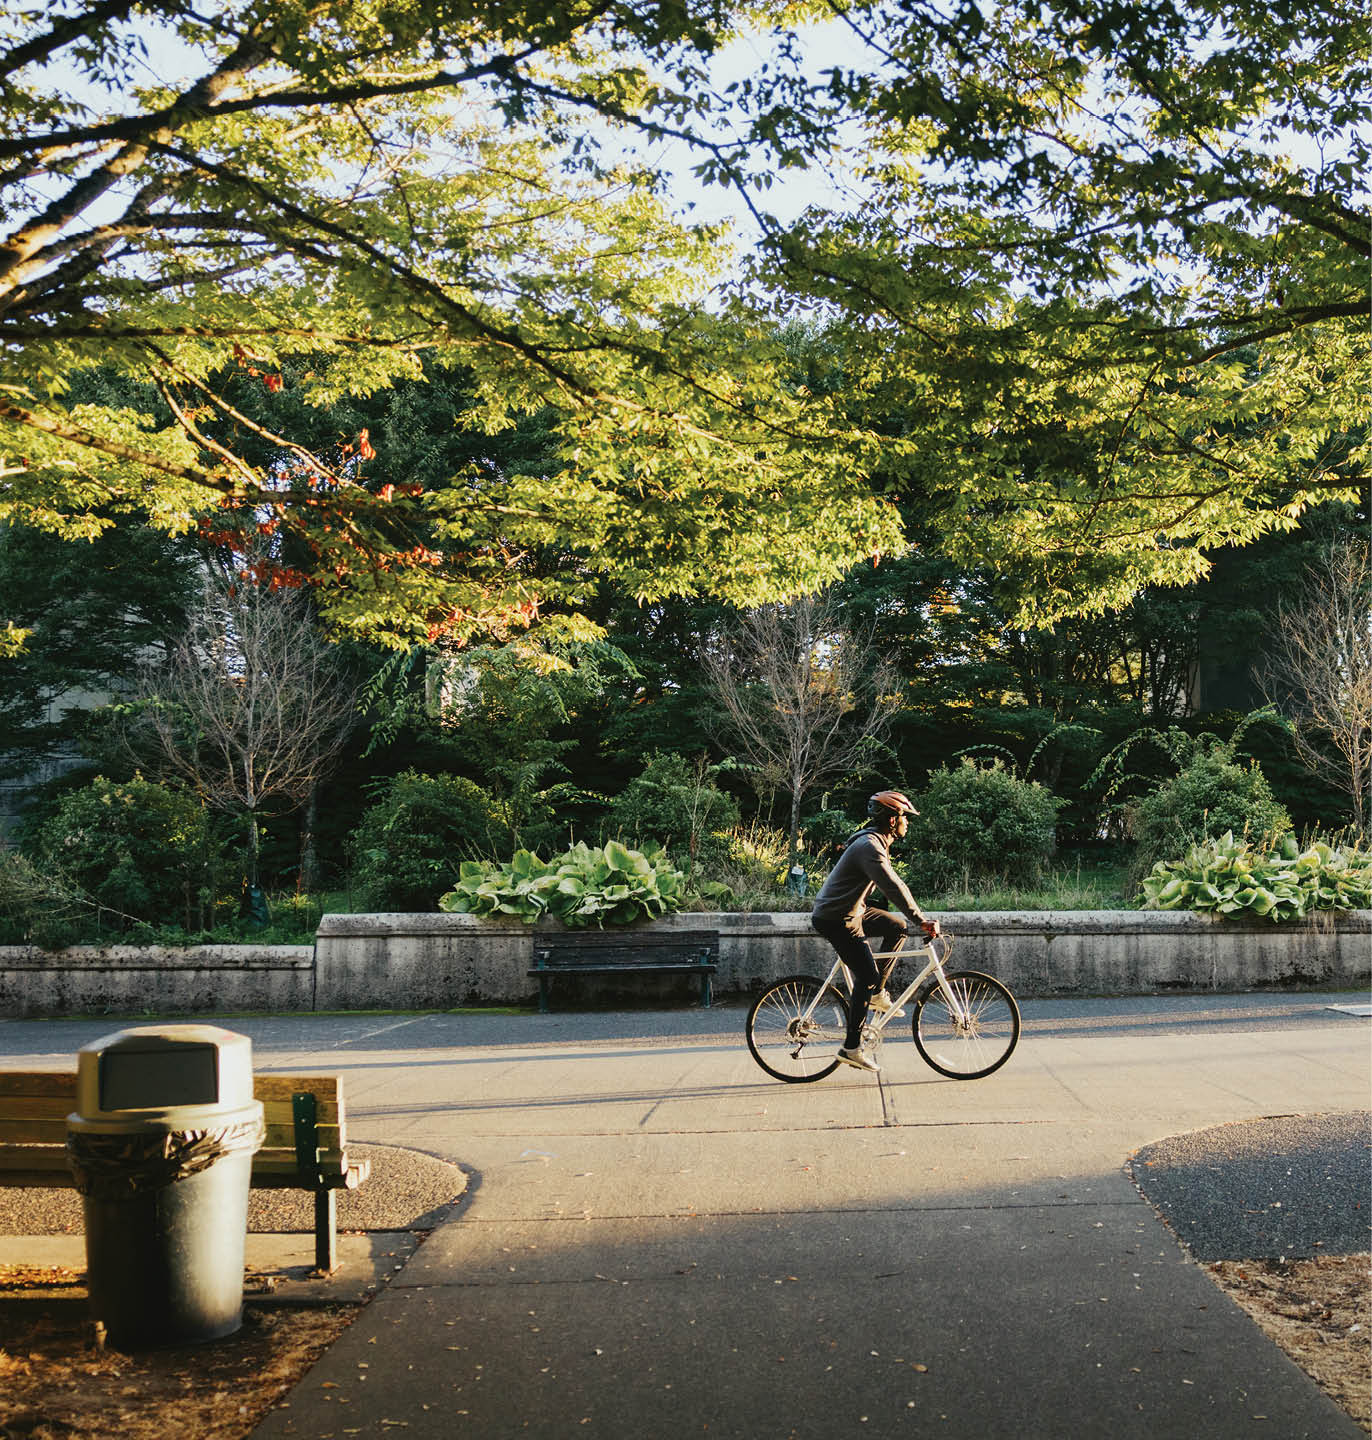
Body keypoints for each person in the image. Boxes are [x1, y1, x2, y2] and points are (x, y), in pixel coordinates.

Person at [810, 790, 941, 1073]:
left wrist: (912, 920)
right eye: (904, 817)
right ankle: (852, 1048)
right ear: (892, 819)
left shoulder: (877, 841)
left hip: (852, 911)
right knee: (866, 975)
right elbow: (893, 887)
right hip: (837, 917)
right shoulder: (870, 846)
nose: (907, 822)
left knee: (897, 926)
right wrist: (922, 919)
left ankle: (878, 993)